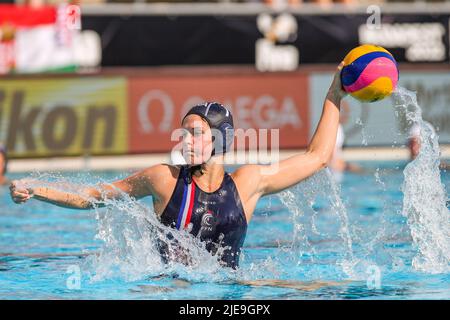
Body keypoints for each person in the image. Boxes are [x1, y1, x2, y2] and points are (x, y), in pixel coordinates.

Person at [10, 63, 347, 269]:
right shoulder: (163, 179)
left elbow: (316, 158)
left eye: (195, 132)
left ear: (220, 139)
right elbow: (91, 197)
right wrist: (37, 189)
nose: (184, 140)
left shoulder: (248, 182)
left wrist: (335, 93)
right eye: (183, 132)